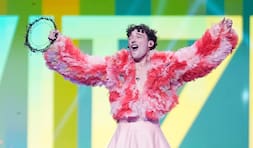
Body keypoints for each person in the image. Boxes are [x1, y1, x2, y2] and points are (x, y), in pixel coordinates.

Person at [44, 18, 238, 148]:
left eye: (138, 36)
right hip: (124, 134)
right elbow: (84, 67)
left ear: (150, 43)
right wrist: (58, 44)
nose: (132, 40)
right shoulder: (116, 65)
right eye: (130, 38)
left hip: (150, 134)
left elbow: (196, 58)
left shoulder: (166, 65)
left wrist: (220, 34)